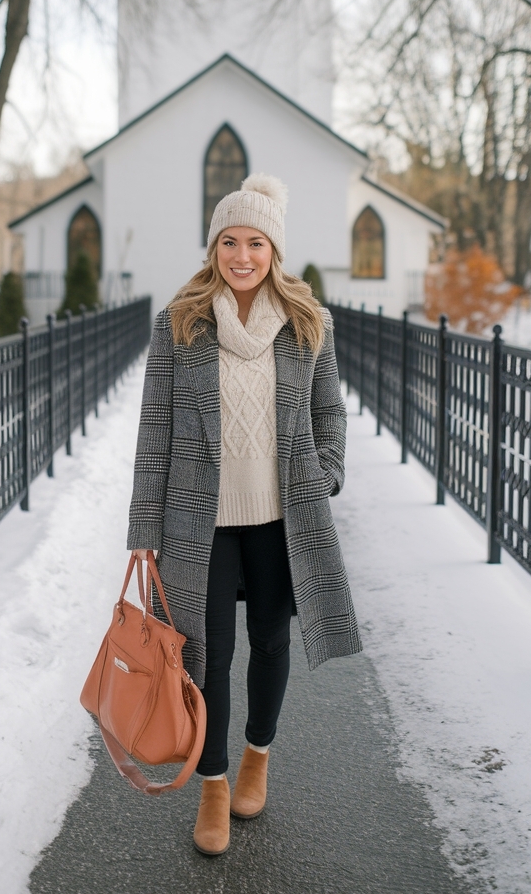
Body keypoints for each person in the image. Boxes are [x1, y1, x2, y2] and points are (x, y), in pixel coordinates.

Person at [127, 173, 361, 855]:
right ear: (213, 247)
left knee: (270, 639)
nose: (242, 255)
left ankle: (258, 754)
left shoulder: (306, 323)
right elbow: (153, 433)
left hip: (280, 518)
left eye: (255, 242)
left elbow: (330, 413)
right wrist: (142, 534)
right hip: (198, 521)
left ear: (273, 249)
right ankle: (214, 784)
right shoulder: (180, 323)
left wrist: (328, 471)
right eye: (229, 240)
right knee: (206, 654)